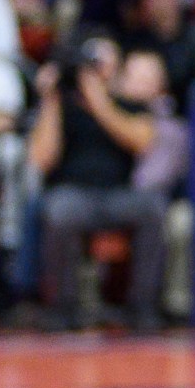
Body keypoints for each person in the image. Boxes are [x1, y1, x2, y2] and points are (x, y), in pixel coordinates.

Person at [29, 41, 165, 330]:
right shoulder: (59, 106)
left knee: (153, 208)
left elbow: (142, 142)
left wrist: (98, 99)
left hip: (119, 194)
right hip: (73, 194)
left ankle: (143, 306)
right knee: (59, 211)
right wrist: (50, 100)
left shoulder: (129, 102)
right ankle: (63, 308)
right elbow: (40, 160)